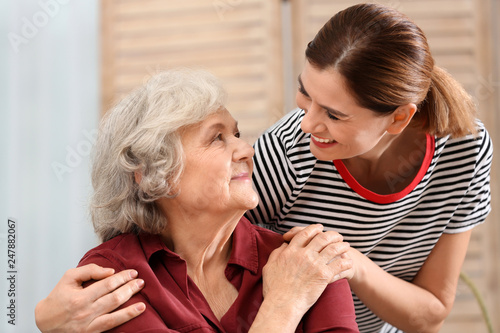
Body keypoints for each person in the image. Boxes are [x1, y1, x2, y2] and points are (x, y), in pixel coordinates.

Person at [36, 3, 493, 333]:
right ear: (154, 171)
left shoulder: (311, 265)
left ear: (399, 118)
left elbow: (431, 309)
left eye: (333, 114)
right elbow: (179, 230)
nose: (307, 123)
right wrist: (38, 319)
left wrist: (337, 266)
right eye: (304, 94)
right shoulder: (289, 151)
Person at [36, 68, 358, 333]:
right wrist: (283, 305)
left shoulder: (309, 262)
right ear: (152, 173)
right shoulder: (114, 278)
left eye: (236, 133)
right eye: (217, 138)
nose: (247, 150)